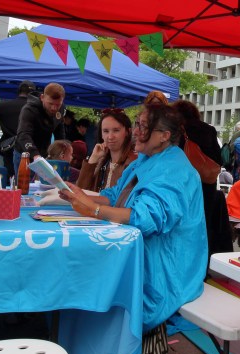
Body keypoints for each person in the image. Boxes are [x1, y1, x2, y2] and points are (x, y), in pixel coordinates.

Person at [61, 103, 208, 331]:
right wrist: (80, 196)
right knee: (77, 273)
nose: (136, 131)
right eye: (137, 124)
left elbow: (145, 219)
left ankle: (83, 337)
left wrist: (93, 209)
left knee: (81, 278)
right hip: (141, 256)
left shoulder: (174, 169)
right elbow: (115, 195)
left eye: (143, 127)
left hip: (163, 273)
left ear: (164, 136)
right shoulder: (145, 160)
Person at [172, 100, 232, 255]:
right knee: (204, 223)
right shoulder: (209, 130)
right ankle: (204, 257)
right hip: (207, 185)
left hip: (183, 185)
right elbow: (219, 159)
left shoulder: (176, 131)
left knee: (184, 226)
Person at [0, 80, 35, 181]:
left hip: (8, 149)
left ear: (19, 91)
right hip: (30, 149)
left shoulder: (5, 106)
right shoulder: (36, 109)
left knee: (6, 180)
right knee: (26, 181)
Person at [76, 109, 137, 192]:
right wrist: (93, 159)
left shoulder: (134, 162)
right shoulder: (102, 161)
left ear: (128, 132)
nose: (110, 136)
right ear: (101, 134)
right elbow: (80, 190)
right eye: (106, 131)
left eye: (116, 130)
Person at [14, 82, 66, 170]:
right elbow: (23, 134)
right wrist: (35, 155)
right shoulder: (29, 109)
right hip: (25, 152)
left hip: (44, 152)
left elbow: (60, 132)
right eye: (50, 104)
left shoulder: (61, 109)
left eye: (58, 105)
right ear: (42, 97)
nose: (54, 108)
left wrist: (62, 150)